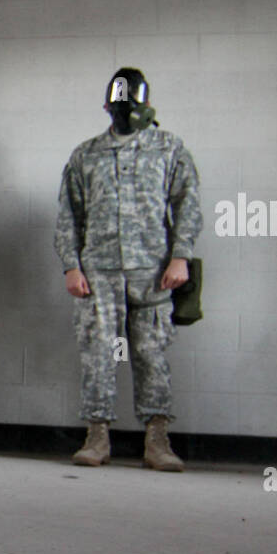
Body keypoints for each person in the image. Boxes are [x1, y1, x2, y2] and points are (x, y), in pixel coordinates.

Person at [54, 67, 201, 471]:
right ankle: (97, 437)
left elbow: (187, 204)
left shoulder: (169, 148)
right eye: (118, 104)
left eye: (133, 104)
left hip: (152, 271)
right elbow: (69, 214)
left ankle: (157, 440)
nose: (125, 111)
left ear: (148, 106)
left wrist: (180, 256)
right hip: (98, 271)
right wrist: (71, 265)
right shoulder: (86, 155)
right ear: (106, 106)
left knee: (151, 354)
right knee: (97, 354)